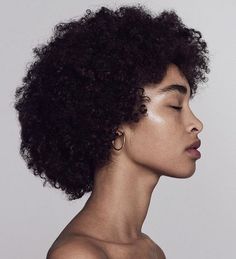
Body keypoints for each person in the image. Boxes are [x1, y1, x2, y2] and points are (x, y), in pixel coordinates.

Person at [14, 4, 209, 259]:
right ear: (114, 122)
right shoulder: (78, 255)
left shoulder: (151, 251)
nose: (196, 123)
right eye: (174, 105)